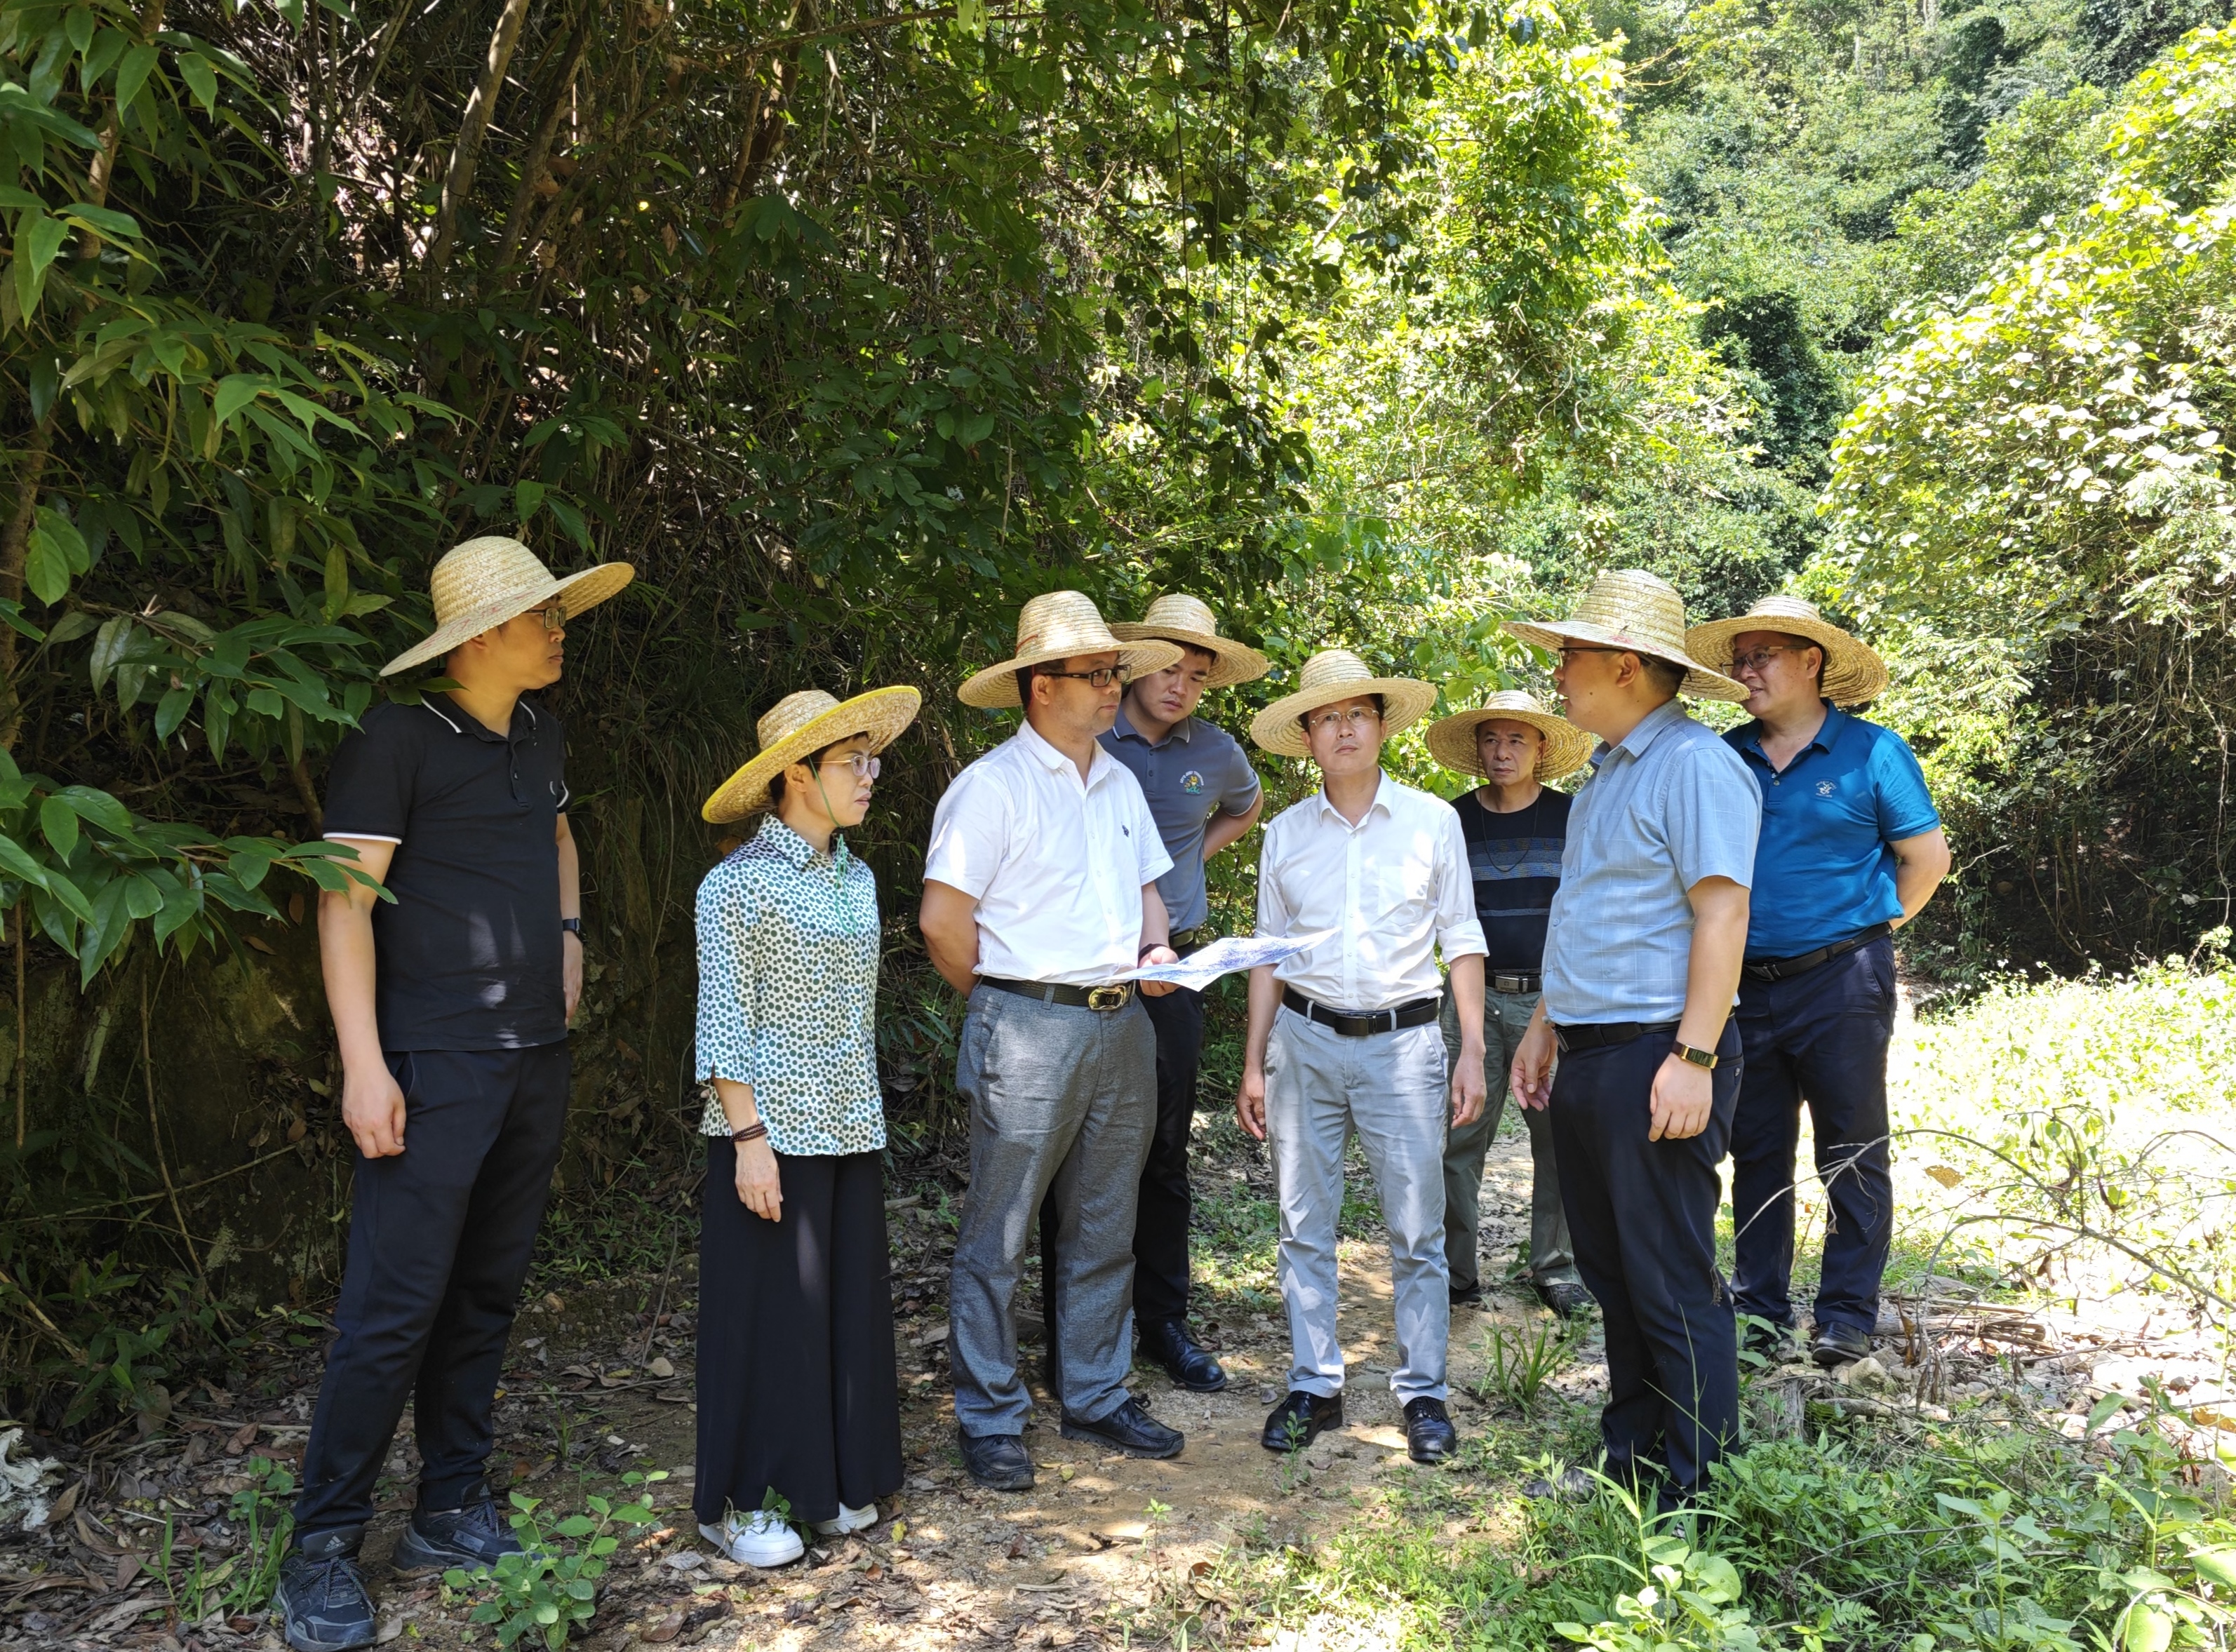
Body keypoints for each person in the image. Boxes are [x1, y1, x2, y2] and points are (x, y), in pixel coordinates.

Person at [279, 536, 633, 1652]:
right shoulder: (395, 739)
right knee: (392, 1308)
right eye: (542, 614)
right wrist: (363, 1063)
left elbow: (561, 832)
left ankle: (447, 1506)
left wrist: (570, 934)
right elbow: (342, 906)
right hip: (430, 1063)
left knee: (485, 1290)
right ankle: (322, 1545)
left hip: (534, 1055)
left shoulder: (539, 732)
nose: (558, 627)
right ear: (480, 637)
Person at [918, 592, 1189, 1491]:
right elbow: (943, 921)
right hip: (1028, 1023)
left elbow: (1150, 888)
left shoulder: (1116, 778)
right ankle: (991, 1416)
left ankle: (1096, 1393)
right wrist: (1007, 999)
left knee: (1105, 1223)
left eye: (1116, 672)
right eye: (1096, 675)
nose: (1116, 688)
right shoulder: (990, 787)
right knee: (999, 1231)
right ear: (1040, 687)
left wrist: (1155, 949)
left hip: (1124, 1023)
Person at [1505, 569, 1760, 1515]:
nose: (1558, 672)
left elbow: (1722, 910)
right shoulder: (1609, 772)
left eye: (1570, 655)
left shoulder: (1693, 765)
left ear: (1622, 664)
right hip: (1593, 1049)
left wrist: (1692, 1056)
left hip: (1658, 1050)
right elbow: (1589, 915)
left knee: (1667, 1276)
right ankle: (1632, 1461)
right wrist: (1543, 1027)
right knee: (1614, 1273)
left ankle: (1700, 1488)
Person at [1236, 648, 1487, 1466]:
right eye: (1326, 717)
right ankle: (1316, 1383)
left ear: (1382, 727)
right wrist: (1252, 1062)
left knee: (1416, 1231)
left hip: (1405, 1043)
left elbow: (1462, 937)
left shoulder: (1431, 822)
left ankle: (1423, 1395)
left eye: (1358, 714)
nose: (1343, 729)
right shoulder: (1284, 834)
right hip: (1303, 1042)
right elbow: (1267, 956)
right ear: (1307, 736)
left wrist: (1473, 1047)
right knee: (1303, 1222)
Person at [690, 685, 922, 1567]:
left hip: (848, 1122)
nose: (870, 777)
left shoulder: (856, 875)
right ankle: (740, 1505)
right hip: (769, 1133)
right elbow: (722, 1023)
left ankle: (827, 1487)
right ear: (796, 776)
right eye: (850, 763)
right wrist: (748, 1141)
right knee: (764, 1318)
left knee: (838, 1308)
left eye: (874, 760)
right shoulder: (734, 885)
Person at [1687, 595, 1950, 1367]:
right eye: (1739, 659)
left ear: (1812, 663)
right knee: (1757, 1150)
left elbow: (1925, 862)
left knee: (1851, 1148)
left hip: (1843, 983)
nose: (1745, 671)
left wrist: (1865, 931)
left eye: (1761, 656)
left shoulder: (1872, 752)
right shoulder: (1724, 756)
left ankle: (1843, 1317)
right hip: (1743, 988)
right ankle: (1761, 1312)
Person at [1036, 594, 1266, 1395]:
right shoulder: (1089, 737)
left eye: (1197, 677)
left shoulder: (1216, 750)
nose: (1180, 686)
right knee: (1070, 1152)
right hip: (1079, 973)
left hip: (1172, 966)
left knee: (1164, 1150)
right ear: (1132, 668)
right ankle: (1072, 1330)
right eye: (1168, 668)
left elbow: (1247, 804)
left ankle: (1163, 1320)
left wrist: (1189, 860)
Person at [1421, 692, 1595, 1319]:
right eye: (1491, 739)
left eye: (1516, 740)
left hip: (1550, 1002)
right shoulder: (1451, 820)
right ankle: (1453, 1270)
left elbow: (1585, 910)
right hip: (1471, 999)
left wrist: (1558, 1007)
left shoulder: (1573, 817)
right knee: (1454, 1134)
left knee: (1559, 1141)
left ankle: (1555, 1266)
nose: (1501, 752)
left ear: (1541, 749)